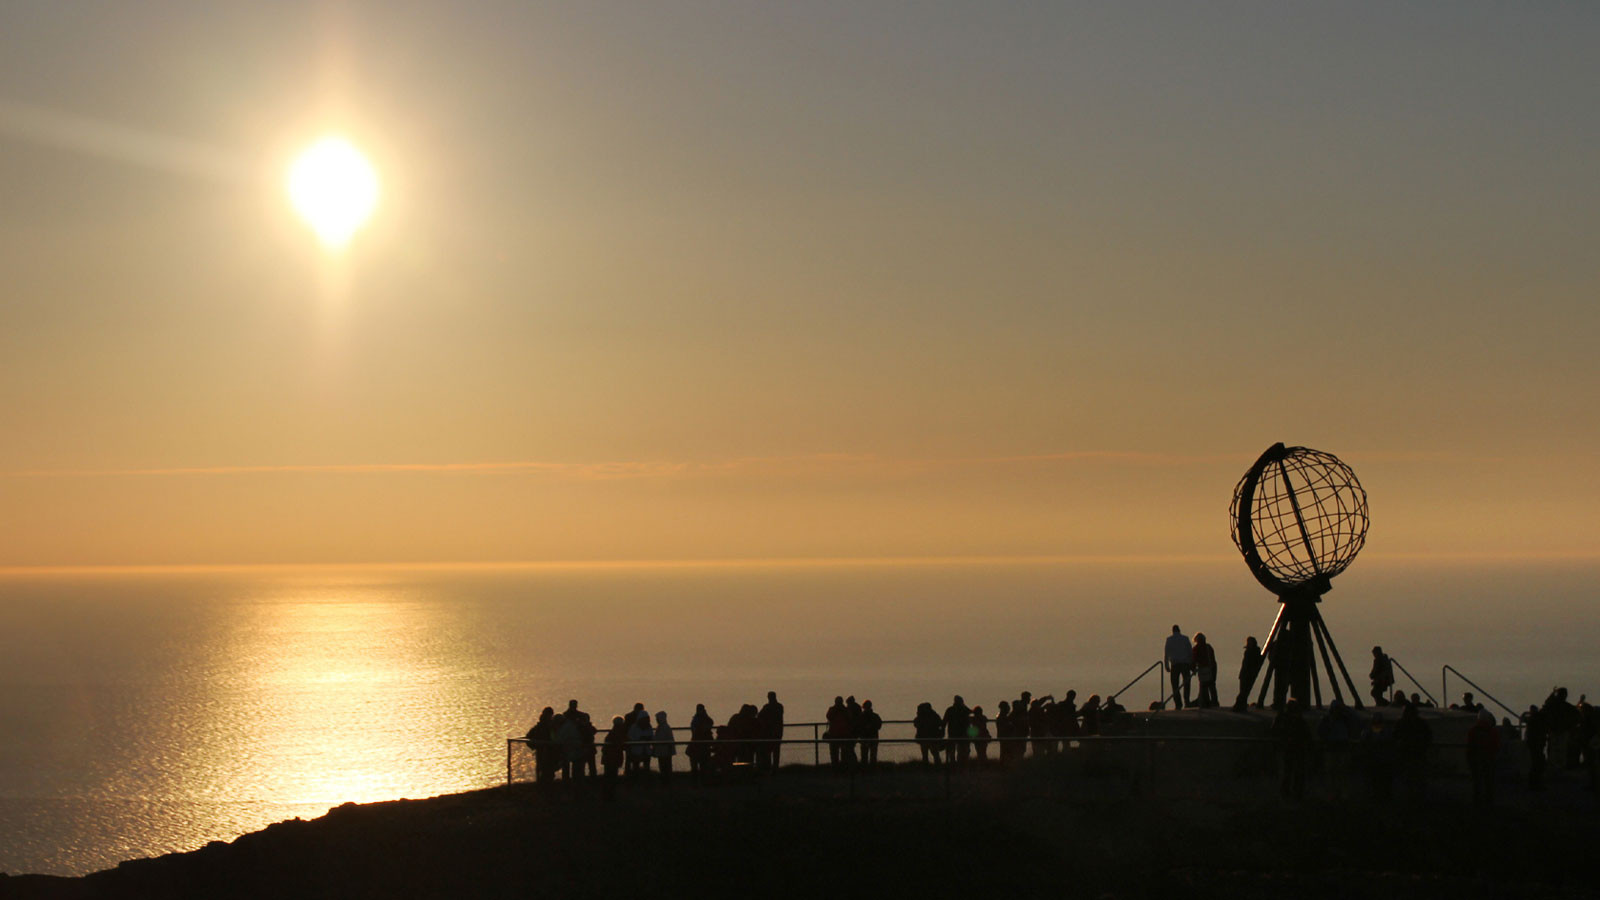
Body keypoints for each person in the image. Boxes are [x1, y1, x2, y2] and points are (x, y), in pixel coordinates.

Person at [1317, 698, 1357, 801]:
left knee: (1341, 771)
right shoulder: (1327, 720)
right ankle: (1333, 792)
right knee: (1332, 772)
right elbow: (1321, 732)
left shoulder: (1344, 719)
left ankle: (1341, 792)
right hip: (1332, 748)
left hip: (1340, 748)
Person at [1272, 698, 1311, 800]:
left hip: (1287, 748)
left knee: (1287, 772)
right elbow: (1307, 734)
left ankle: (1286, 794)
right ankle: (1296, 793)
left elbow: (1274, 730)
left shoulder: (1283, 719)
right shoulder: (1300, 720)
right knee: (1296, 772)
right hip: (1297, 748)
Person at [1393, 701, 1432, 803]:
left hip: (1413, 754)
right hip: (1410, 754)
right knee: (1411, 778)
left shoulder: (1403, 723)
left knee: (1413, 778)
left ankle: (1414, 798)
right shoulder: (1419, 723)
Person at [1466, 708, 1499, 806]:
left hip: (1476, 759)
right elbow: (1496, 745)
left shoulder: (1472, 731)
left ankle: (1477, 802)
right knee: (1489, 782)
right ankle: (1489, 802)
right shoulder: (1492, 731)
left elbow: (1469, 746)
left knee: (1477, 782)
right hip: (1489, 759)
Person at [566, 700, 597, 777]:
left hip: (577, 745)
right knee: (587, 765)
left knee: (579, 765)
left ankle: (573, 779)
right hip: (582, 745)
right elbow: (593, 731)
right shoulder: (580, 715)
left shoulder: (566, 715)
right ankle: (590, 779)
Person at [1164, 625, 1193, 709]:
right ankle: (1187, 701)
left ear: (1172, 631)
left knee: (1175, 685)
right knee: (1186, 683)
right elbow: (1190, 652)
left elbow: (1166, 653)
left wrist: (1166, 665)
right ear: (1179, 630)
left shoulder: (1169, 640)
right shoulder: (1185, 639)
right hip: (1185, 664)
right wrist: (1191, 664)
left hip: (1175, 664)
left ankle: (1178, 703)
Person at [525, 707, 555, 784]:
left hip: (543, 749)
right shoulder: (547, 726)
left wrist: (534, 746)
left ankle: (541, 783)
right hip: (546, 750)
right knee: (546, 768)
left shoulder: (540, 726)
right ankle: (545, 783)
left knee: (542, 767)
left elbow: (529, 736)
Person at [601, 716, 628, 799]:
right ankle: (610, 795)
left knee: (608, 776)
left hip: (608, 757)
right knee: (612, 777)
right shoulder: (619, 733)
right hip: (614, 757)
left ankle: (607, 794)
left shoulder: (611, 733)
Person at [757, 691, 784, 772]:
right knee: (776, 751)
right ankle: (775, 767)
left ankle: (768, 768)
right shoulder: (779, 706)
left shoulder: (767, 707)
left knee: (768, 751)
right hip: (777, 732)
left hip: (769, 733)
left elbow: (760, 716)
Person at [1234, 636, 1263, 711]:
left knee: (1243, 691)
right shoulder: (1256, 652)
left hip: (1246, 674)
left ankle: (1239, 706)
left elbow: (1246, 665)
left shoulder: (1249, 652)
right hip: (1248, 674)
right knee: (1245, 691)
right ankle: (1242, 705)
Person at [687, 704, 714, 781]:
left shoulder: (696, 719)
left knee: (698, 766)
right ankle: (702, 781)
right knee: (702, 766)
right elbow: (711, 722)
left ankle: (698, 781)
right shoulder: (703, 719)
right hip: (701, 746)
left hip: (698, 746)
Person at [825, 696, 854, 770]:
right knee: (834, 753)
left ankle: (842, 767)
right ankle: (836, 767)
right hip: (836, 734)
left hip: (842, 735)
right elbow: (828, 716)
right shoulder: (834, 709)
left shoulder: (844, 710)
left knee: (843, 753)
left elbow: (850, 718)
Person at [943, 695, 972, 764]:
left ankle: (952, 762)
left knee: (952, 750)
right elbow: (970, 711)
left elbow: (944, 721)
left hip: (952, 733)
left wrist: (942, 729)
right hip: (963, 733)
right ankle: (961, 763)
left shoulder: (950, 710)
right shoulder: (964, 710)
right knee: (962, 750)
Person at [1192, 632, 1218, 709]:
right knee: (1212, 686)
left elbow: (1194, 659)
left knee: (1204, 686)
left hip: (1202, 669)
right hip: (1211, 668)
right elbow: (1212, 659)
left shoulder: (1196, 648)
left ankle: (1206, 703)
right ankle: (1214, 702)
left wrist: (1193, 668)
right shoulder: (1208, 647)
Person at [626, 710, 654, 777]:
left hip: (646, 751)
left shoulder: (649, 727)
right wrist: (639, 739)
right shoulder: (634, 727)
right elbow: (630, 737)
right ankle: (636, 778)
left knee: (646, 767)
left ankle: (646, 778)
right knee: (635, 766)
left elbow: (652, 736)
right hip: (636, 751)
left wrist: (648, 738)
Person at [858, 699, 883, 767]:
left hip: (865, 738)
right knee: (873, 756)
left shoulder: (861, 716)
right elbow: (879, 725)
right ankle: (872, 768)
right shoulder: (875, 716)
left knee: (864, 756)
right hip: (873, 737)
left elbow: (858, 727)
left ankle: (865, 769)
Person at [653, 711, 676, 782]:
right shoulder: (662, 727)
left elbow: (669, 740)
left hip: (665, 751)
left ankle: (666, 780)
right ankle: (665, 780)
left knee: (666, 766)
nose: (657, 720)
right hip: (662, 751)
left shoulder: (665, 728)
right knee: (663, 766)